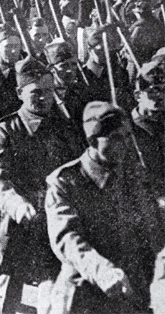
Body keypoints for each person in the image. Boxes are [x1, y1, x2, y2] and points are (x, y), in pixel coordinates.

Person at [0, 57, 84, 314]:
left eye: (50, 91)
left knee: (51, 279)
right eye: (36, 92)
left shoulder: (64, 129)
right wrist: (17, 205)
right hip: (16, 219)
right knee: (7, 279)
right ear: (19, 93)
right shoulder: (5, 130)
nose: (44, 98)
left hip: (54, 217)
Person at [45, 101, 165, 314]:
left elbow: (153, 225)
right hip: (84, 293)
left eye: (129, 137)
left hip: (131, 292)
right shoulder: (66, 181)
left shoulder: (134, 174)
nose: (126, 144)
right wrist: (103, 271)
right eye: (117, 138)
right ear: (92, 140)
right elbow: (67, 239)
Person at [130, 61, 165, 198]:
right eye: (152, 91)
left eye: (163, 90)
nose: (160, 97)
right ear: (138, 96)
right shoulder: (129, 129)